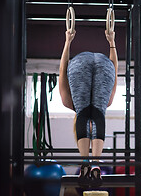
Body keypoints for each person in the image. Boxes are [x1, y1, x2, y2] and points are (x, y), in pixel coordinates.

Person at [59, 28, 118, 180]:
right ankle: (94, 164)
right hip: (95, 64)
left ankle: (87, 162)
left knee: (89, 113)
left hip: (84, 63)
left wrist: (68, 42)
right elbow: (63, 70)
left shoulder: (69, 103)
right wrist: (111, 42)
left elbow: (114, 71)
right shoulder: (68, 101)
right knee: (97, 113)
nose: (90, 128)